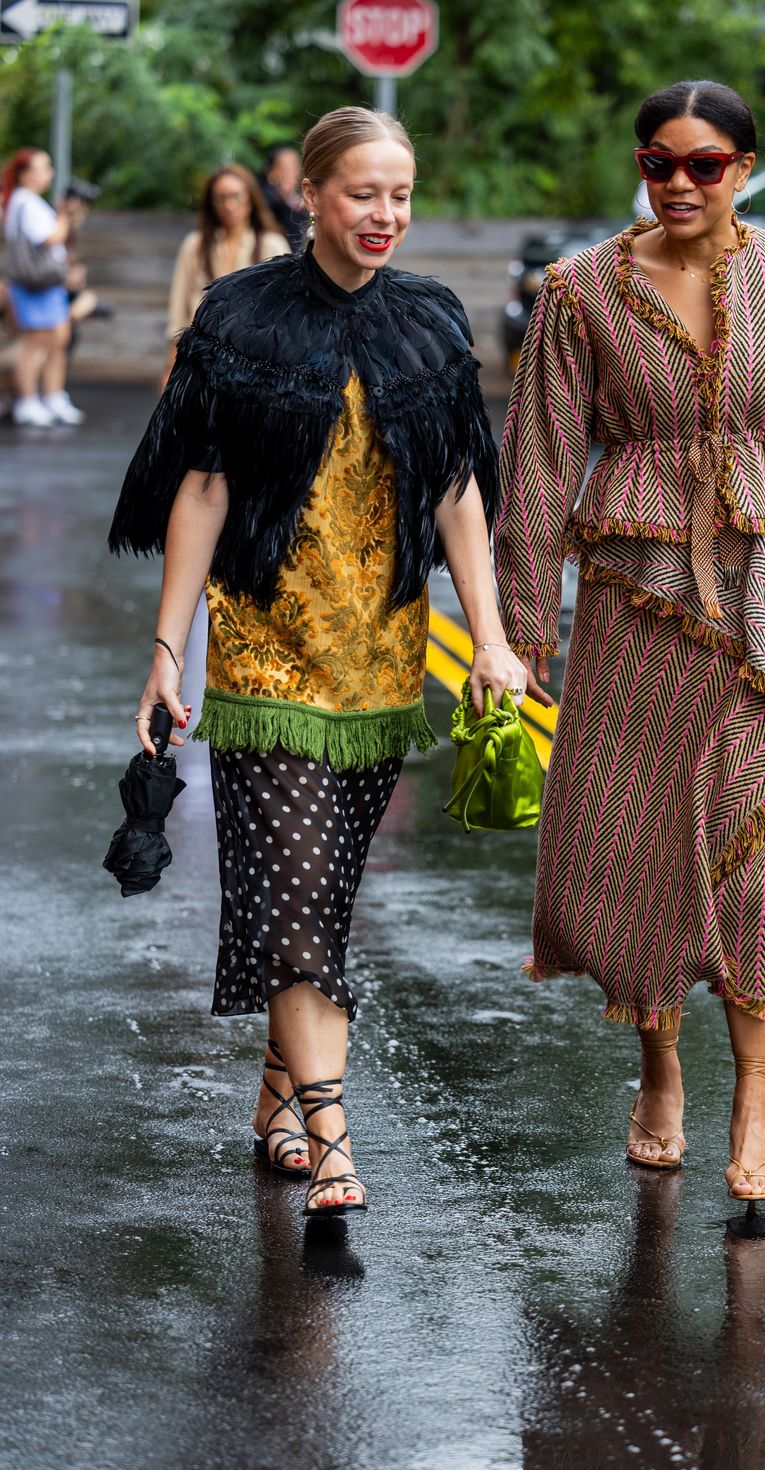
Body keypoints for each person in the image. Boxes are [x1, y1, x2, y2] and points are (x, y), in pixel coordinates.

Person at [109, 106, 524, 1218]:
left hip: (379, 665)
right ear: (311, 196)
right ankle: (335, 1134)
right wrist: (167, 653)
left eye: (400, 194)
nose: (383, 214)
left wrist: (487, 638)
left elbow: (455, 492)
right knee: (294, 895)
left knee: (320, 899)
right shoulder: (241, 315)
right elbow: (200, 487)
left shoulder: (431, 323)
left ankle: (276, 1092)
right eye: (361, 194)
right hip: (262, 654)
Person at [495, 80, 765, 1203]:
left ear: (741, 170)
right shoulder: (579, 293)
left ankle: (753, 1102)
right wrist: (520, 635)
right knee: (641, 840)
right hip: (635, 599)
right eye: (657, 162)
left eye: (701, 165)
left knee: (755, 855)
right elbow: (534, 469)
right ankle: (657, 1064)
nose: (675, 183)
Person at [162, 163, 289, 388]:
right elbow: (179, 306)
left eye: (235, 196)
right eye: (220, 198)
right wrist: (170, 365)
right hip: (199, 362)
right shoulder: (195, 245)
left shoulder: (272, 245)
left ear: (250, 199)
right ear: (211, 203)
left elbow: (285, 313)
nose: (229, 205)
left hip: (255, 365)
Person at [2, 148, 87, 426]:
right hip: (34, 283)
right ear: (25, 173)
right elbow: (51, 238)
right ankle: (26, 401)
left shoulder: (29, 201)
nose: (48, 173)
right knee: (36, 340)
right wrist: (64, 214)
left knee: (58, 338)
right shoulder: (24, 201)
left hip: (47, 283)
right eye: (42, 167)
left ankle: (52, 396)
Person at [258, 143, 308, 251]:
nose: (295, 172)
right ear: (272, 171)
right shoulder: (265, 196)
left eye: (296, 166)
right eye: (288, 168)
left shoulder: (298, 197)